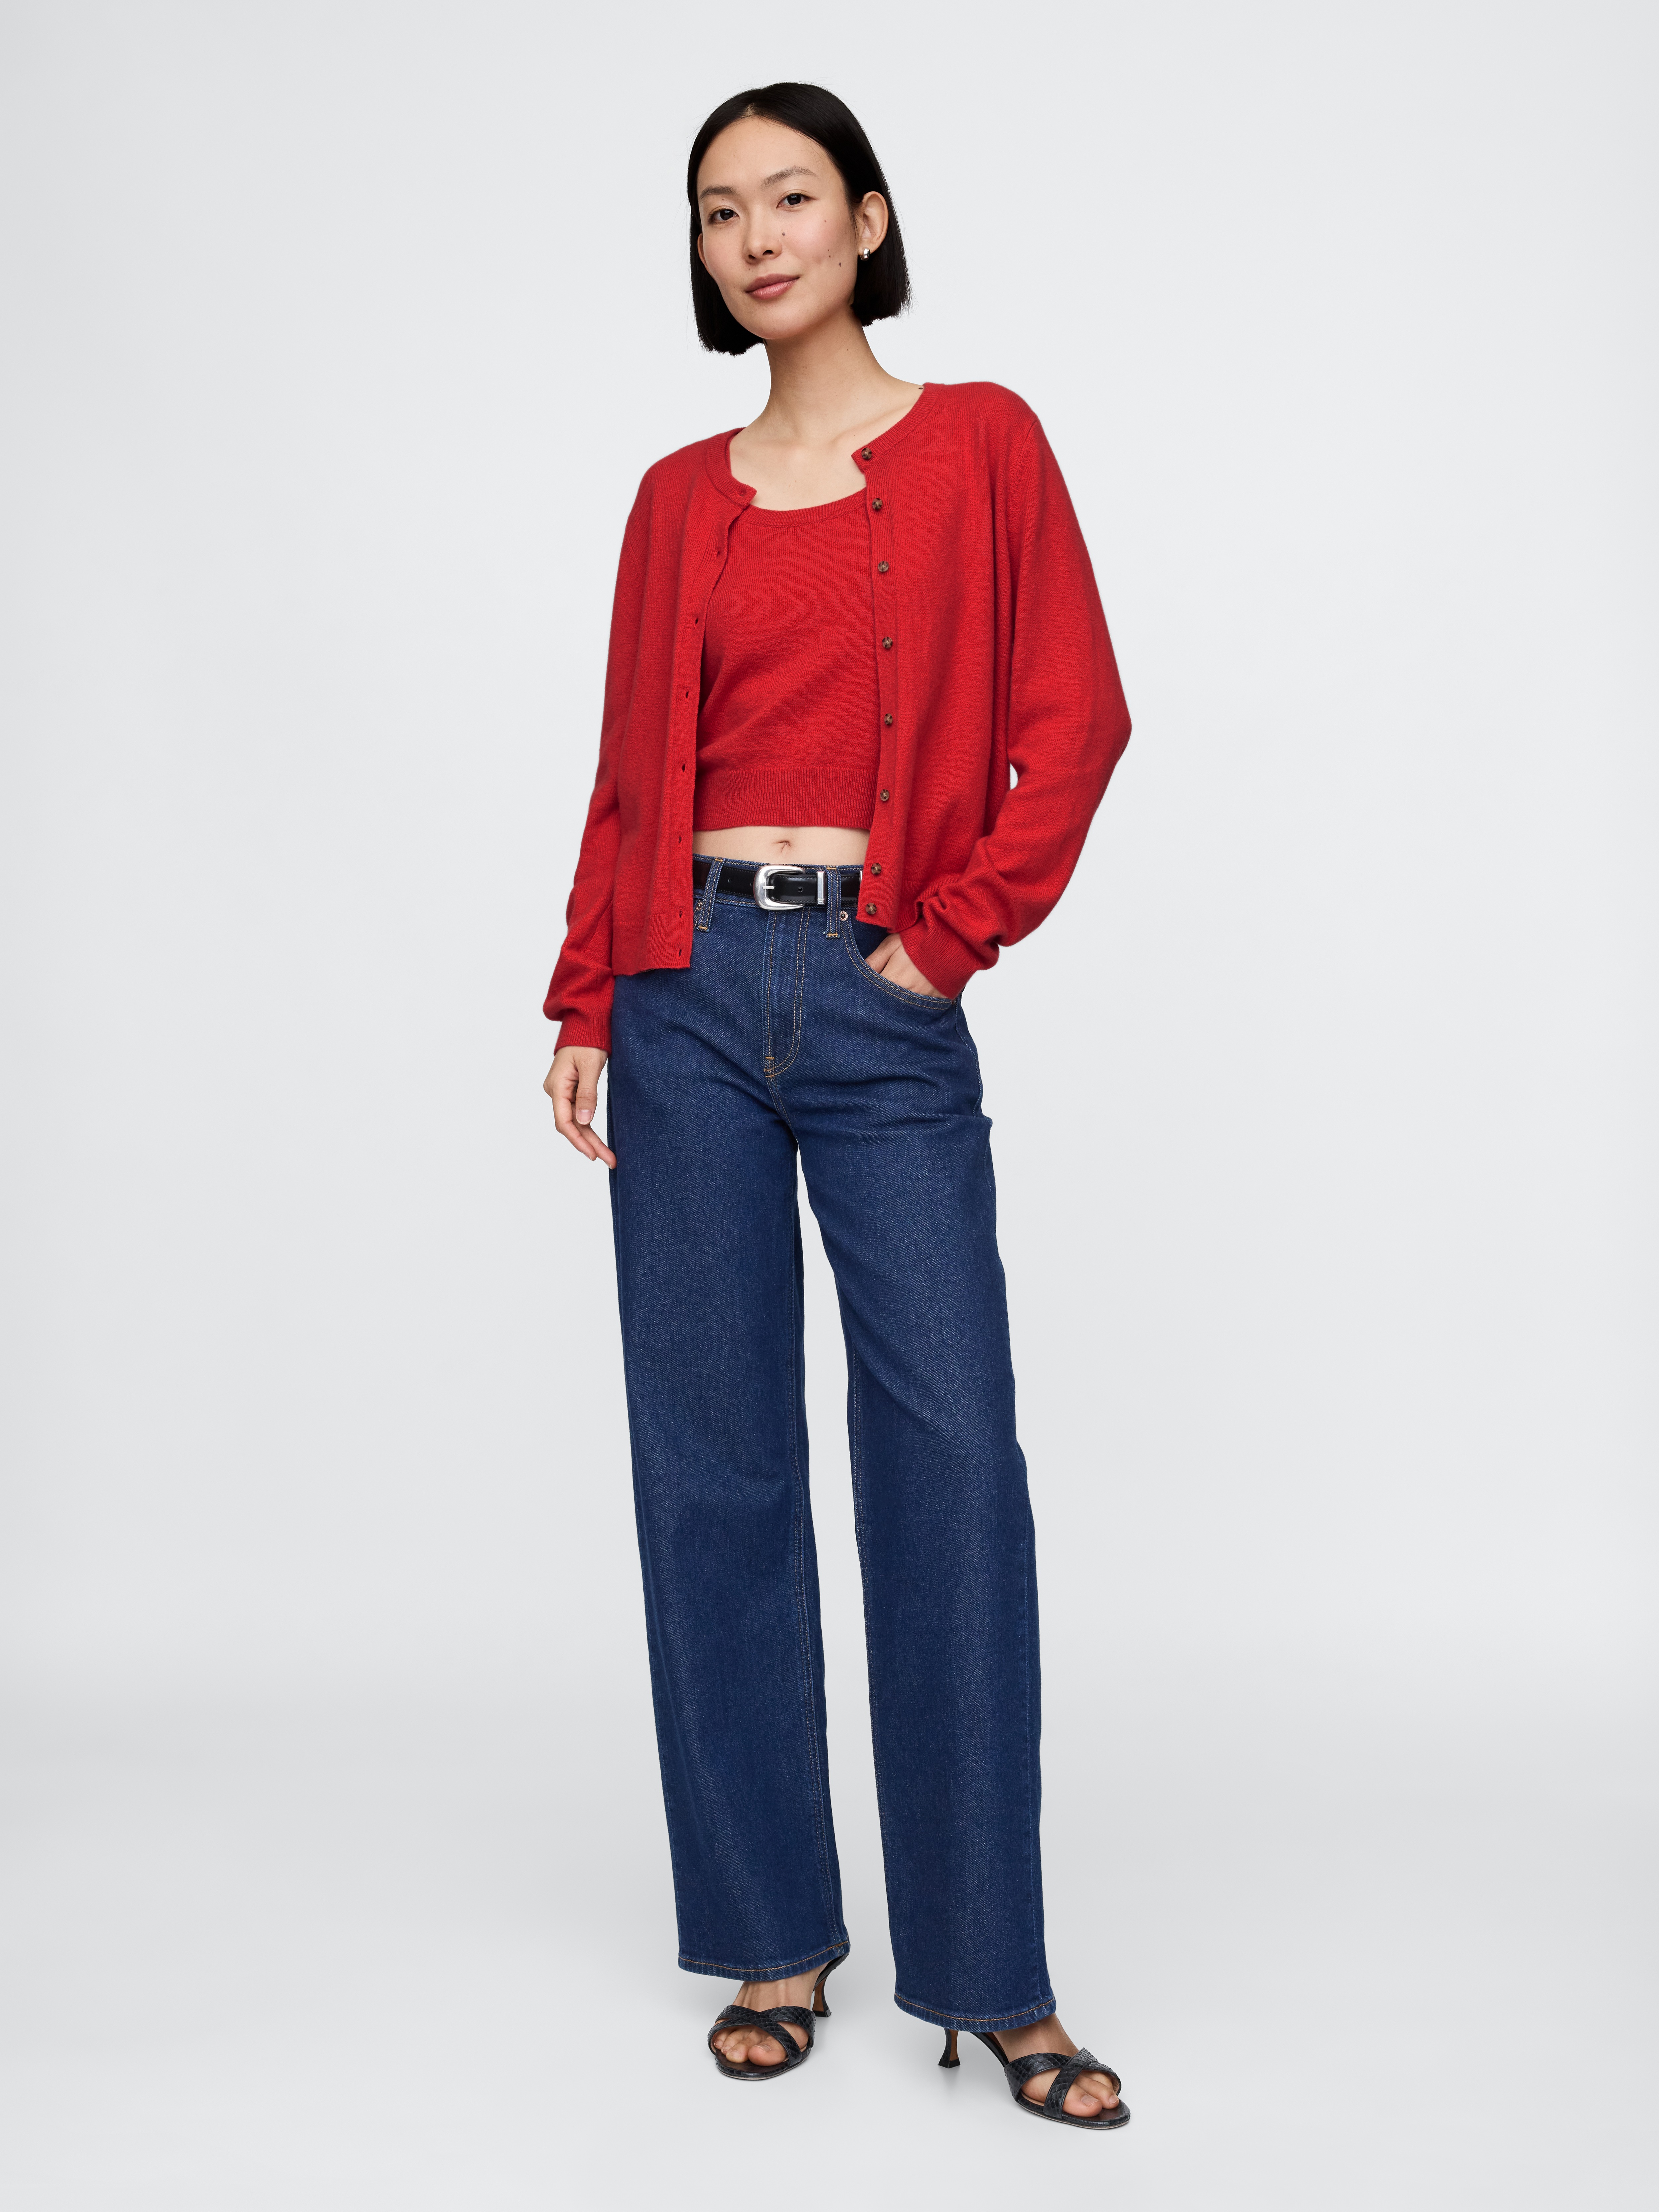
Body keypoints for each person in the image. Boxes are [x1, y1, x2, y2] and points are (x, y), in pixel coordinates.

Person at [542, 82, 1132, 2129]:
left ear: (867, 222)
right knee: (711, 1471)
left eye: (790, 198)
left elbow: (1077, 717)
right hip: (683, 991)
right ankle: (772, 1937)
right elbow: (631, 772)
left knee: (948, 1460)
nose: (756, 236)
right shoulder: (671, 498)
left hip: (880, 999)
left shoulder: (981, 443)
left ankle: (994, 1973)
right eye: (719, 211)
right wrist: (586, 989)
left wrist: (947, 940)